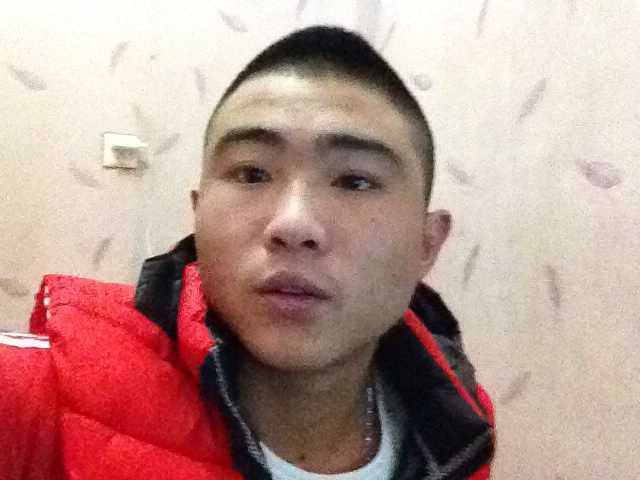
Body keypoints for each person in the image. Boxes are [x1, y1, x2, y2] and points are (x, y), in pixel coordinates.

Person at [0, 26, 495, 480]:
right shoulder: (29, 399)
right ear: (198, 213)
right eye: (252, 173)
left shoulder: (456, 430)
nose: (293, 225)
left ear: (427, 244)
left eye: (354, 181)